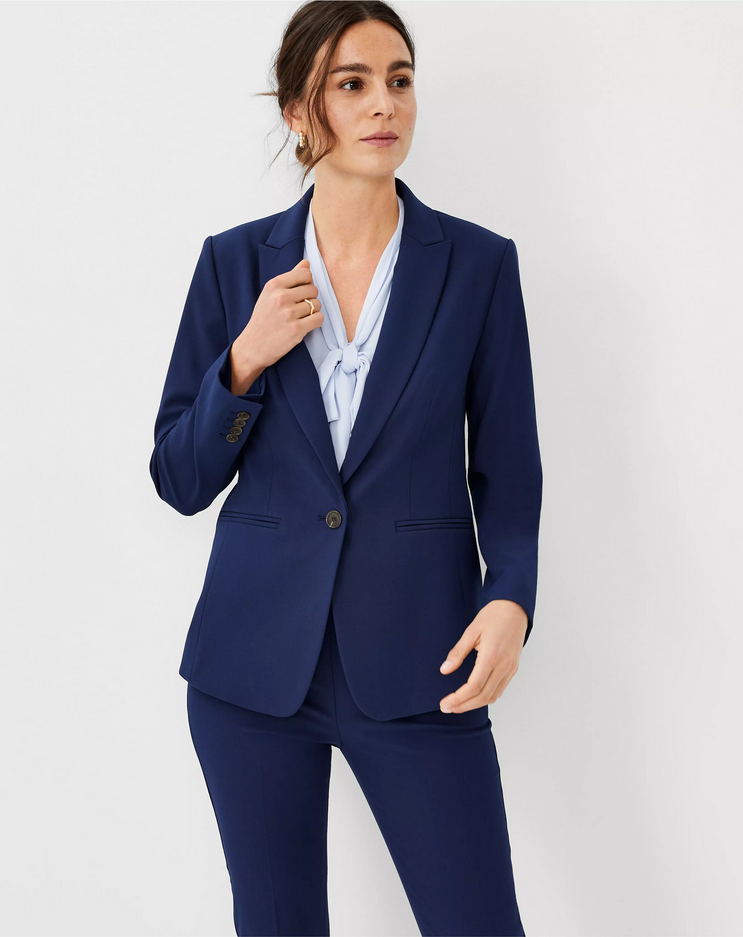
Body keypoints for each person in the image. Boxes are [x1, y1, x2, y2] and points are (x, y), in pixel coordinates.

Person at [149, 2, 543, 934]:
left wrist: (510, 596)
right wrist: (243, 360)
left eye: (399, 80)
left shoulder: (477, 266)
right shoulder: (233, 264)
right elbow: (179, 478)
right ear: (298, 110)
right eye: (351, 83)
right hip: (250, 671)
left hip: (421, 660)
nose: (383, 105)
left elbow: (509, 467)